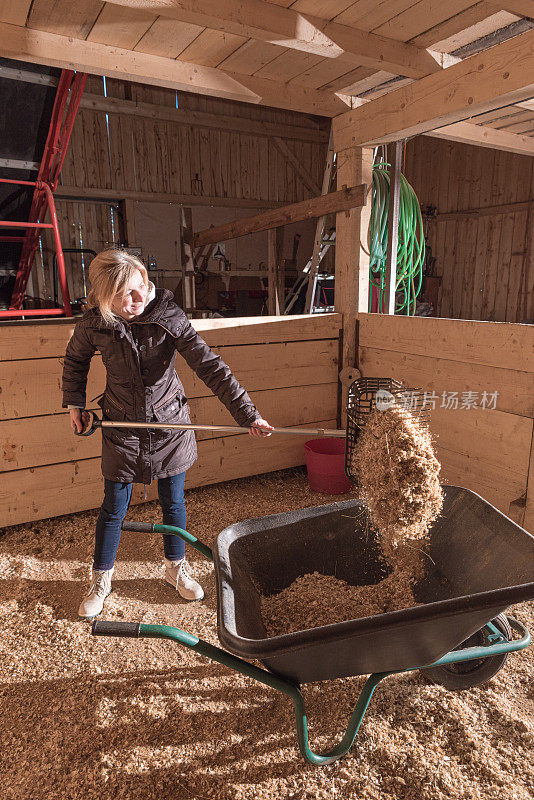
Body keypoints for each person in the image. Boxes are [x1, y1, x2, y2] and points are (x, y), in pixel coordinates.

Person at [63, 249, 273, 619]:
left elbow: (210, 367)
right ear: (104, 297)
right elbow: (76, 360)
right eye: (126, 293)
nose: (139, 298)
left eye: (141, 286)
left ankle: (175, 567)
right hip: (121, 425)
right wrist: (74, 404)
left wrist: (247, 415)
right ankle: (101, 578)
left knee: (173, 502)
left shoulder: (167, 316)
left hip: (170, 425)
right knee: (114, 506)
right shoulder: (94, 323)